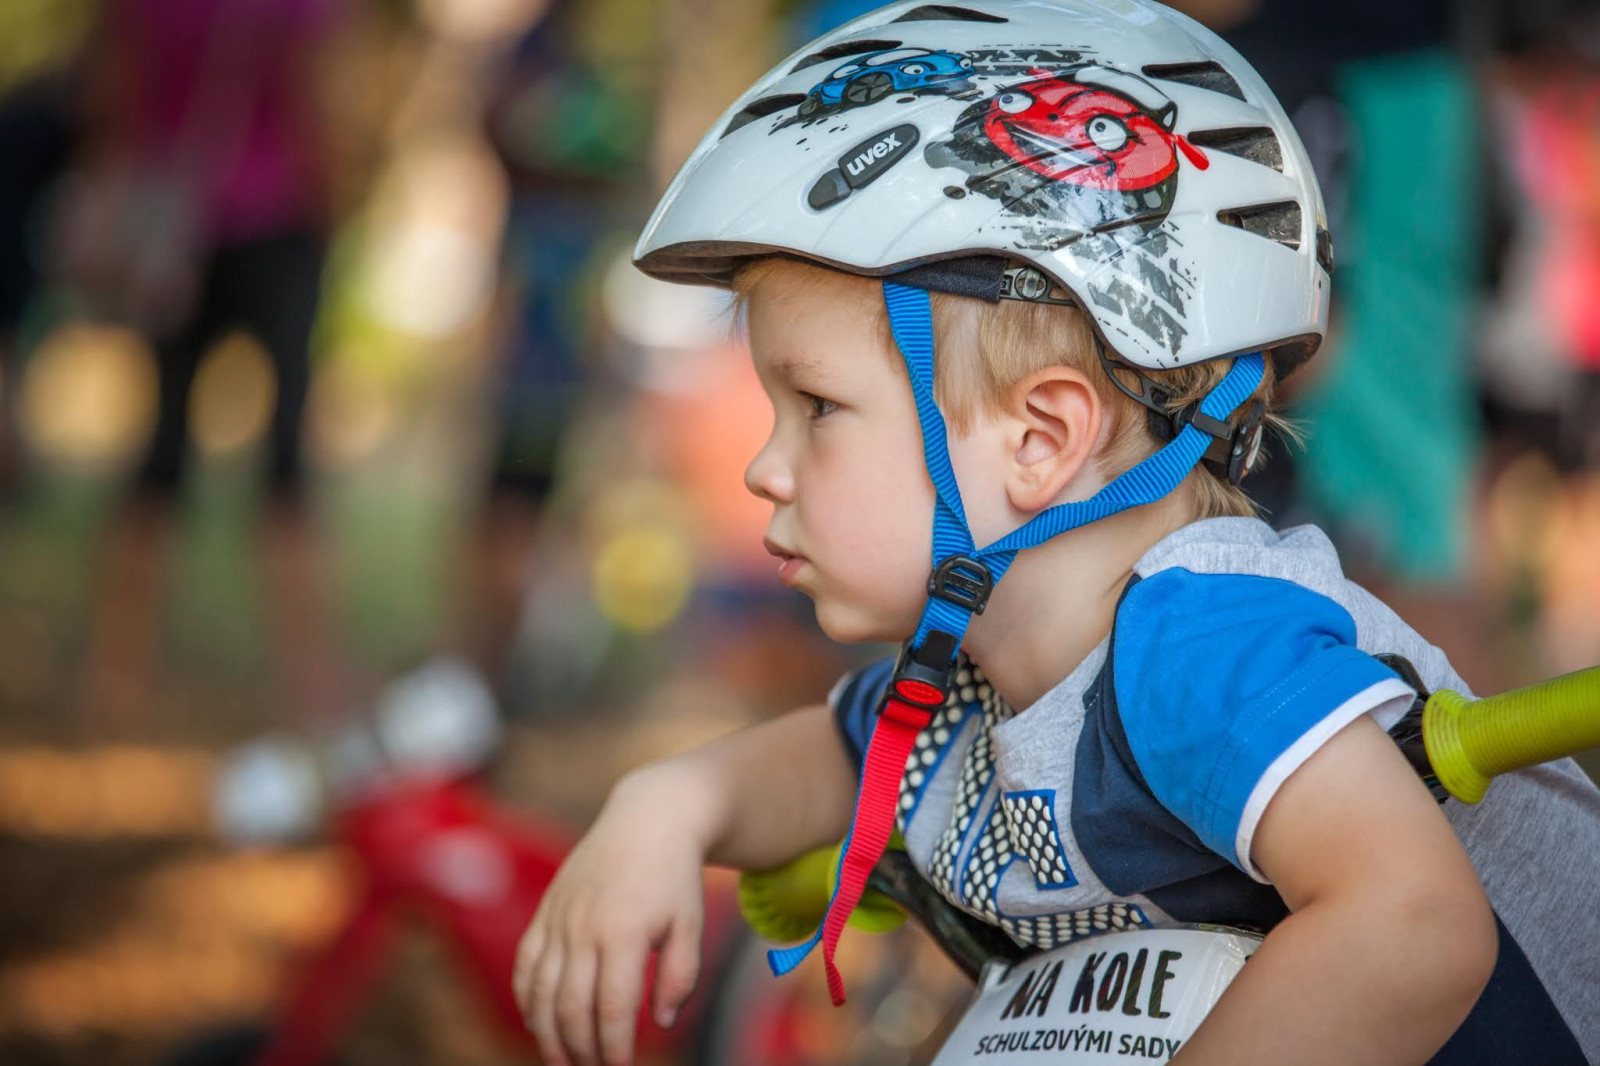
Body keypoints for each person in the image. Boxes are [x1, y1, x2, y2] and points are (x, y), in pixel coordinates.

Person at [512, 3, 1600, 1064]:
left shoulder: (1203, 646)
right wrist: (663, 808)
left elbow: (1413, 928)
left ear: (1039, 439)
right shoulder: (975, 676)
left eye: (817, 408)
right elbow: (828, 761)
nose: (764, 467)